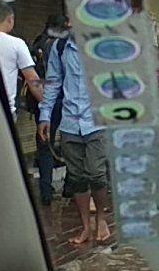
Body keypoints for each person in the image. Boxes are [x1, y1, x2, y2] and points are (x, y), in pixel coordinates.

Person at [37, 33, 110, 246]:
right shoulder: (60, 48)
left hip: (97, 122)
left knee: (97, 173)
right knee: (77, 178)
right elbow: (52, 84)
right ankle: (86, 226)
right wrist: (45, 116)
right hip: (69, 123)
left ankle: (101, 219)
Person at [29, 14, 71, 205]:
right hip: (64, 100)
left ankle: (46, 190)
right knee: (72, 142)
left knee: (44, 145)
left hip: (42, 102)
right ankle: (70, 187)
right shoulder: (63, 46)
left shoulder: (38, 44)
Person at [0, 1, 42, 120]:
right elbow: (32, 79)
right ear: (10, 19)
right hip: (4, 112)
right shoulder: (17, 44)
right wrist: (46, 105)